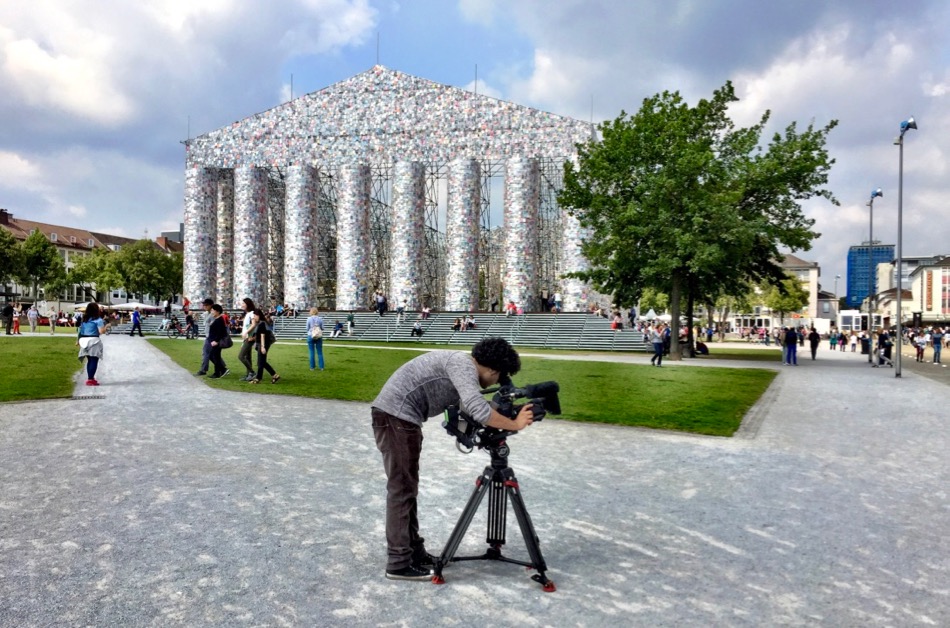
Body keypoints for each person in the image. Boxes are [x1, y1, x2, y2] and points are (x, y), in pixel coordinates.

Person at [370, 337, 534, 581]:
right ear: (492, 369)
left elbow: (470, 407)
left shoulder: (461, 364)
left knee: (407, 489)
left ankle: (414, 552)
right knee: (401, 490)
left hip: (400, 420)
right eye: (499, 376)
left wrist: (503, 410)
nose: (497, 381)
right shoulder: (462, 365)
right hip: (396, 419)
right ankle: (398, 563)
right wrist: (515, 424)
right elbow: (477, 409)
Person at [76, 302, 109, 386]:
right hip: (94, 340)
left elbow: (80, 331)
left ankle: (90, 377)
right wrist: (106, 326)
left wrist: (78, 340)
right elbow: (101, 331)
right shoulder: (98, 320)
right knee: (94, 360)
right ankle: (90, 379)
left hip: (84, 340)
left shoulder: (85, 319)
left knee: (89, 360)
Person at [249, 309, 279, 384]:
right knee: (262, 362)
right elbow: (258, 335)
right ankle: (274, 375)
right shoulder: (260, 323)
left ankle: (258, 378)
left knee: (260, 362)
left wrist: (262, 347)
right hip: (262, 343)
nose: (254, 317)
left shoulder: (262, 323)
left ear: (258, 315)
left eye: (255, 316)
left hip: (263, 344)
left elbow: (262, 336)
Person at [206, 304, 230, 379]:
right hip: (214, 342)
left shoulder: (220, 320)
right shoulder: (217, 319)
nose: (211, 311)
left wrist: (216, 341)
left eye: (213, 310)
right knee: (215, 356)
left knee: (213, 356)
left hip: (217, 342)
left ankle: (219, 372)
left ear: (217, 311)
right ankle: (221, 370)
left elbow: (220, 332)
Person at [237, 298, 257, 381]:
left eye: (243, 303)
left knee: (241, 356)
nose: (242, 305)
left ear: (248, 304)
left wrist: (246, 333)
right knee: (248, 357)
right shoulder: (248, 314)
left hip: (249, 338)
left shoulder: (252, 313)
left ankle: (252, 372)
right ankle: (249, 375)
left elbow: (254, 324)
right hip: (246, 338)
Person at [195, 298, 215, 376]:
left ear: (211, 305)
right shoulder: (207, 313)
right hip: (208, 335)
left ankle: (203, 370)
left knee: (205, 353)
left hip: (211, 336)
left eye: (206, 305)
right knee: (212, 354)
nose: (204, 306)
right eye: (203, 305)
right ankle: (222, 367)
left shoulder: (213, 314)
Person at [306, 307, 325, 371]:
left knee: (311, 352)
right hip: (318, 336)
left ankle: (312, 367)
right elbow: (322, 328)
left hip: (310, 335)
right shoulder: (320, 319)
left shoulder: (309, 319)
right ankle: (321, 367)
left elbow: (307, 328)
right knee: (320, 352)